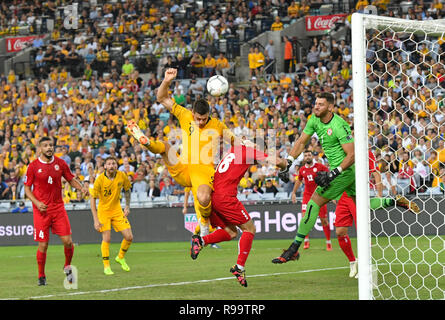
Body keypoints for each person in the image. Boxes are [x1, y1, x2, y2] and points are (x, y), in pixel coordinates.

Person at [273, 92, 420, 264]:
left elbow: (352, 155)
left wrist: (333, 173)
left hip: (345, 171)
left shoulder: (339, 125)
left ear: (330, 107)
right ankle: (394, 201)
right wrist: (289, 162)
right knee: (360, 203)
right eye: (316, 103)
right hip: (343, 171)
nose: (316, 106)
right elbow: (301, 142)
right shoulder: (314, 119)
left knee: (313, 203)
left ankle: (293, 249)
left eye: (320, 104)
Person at [127, 68, 238, 237]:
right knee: (164, 146)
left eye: (204, 118)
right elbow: (161, 98)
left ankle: (204, 223)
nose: (200, 122)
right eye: (197, 118)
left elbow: (235, 141)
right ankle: (147, 142)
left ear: (209, 114)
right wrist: (166, 80)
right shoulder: (185, 115)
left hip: (204, 171)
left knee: (203, 198)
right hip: (184, 167)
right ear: (192, 113)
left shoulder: (217, 125)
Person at [190, 141, 288, 287]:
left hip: (214, 195)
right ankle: (239, 268)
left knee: (230, 232)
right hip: (226, 197)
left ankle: (201, 241)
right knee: (250, 229)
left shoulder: (234, 150)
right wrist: (285, 165)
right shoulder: (250, 151)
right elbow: (277, 161)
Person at [24, 136, 88, 286]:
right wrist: (37, 203)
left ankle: (67, 267)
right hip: (41, 210)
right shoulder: (33, 166)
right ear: (40, 148)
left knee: (68, 241)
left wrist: (82, 187)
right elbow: (27, 188)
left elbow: (71, 179)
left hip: (58, 208)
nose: (49, 148)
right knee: (43, 245)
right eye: (45, 145)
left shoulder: (61, 163)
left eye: (51, 145)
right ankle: (41, 276)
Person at [335, 150, 383, 278]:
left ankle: (365, 266)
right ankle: (352, 261)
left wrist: (379, 195)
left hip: (358, 194)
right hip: (344, 195)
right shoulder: (341, 152)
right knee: (340, 231)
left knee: (362, 232)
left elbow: (376, 173)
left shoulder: (366, 152)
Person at [90, 156, 133, 275]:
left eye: (113, 163)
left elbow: (127, 189)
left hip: (117, 210)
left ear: (116, 165)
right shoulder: (99, 179)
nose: (111, 166)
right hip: (103, 211)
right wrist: (95, 219)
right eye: (109, 164)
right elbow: (92, 198)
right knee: (107, 238)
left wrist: (127, 206)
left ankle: (120, 257)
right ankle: (106, 266)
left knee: (129, 237)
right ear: (105, 166)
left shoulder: (122, 175)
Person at [291, 150, 331, 250]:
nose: (307, 157)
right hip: (307, 196)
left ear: (312, 156)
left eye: (309, 155)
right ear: (304, 158)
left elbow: (329, 175)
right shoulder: (302, 169)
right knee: (305, 218)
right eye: (305, 155)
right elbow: (299, 180)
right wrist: (294, 193)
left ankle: (328, 242)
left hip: (319, 196)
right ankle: (306, 241)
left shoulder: (320, 167)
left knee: (324, 221)